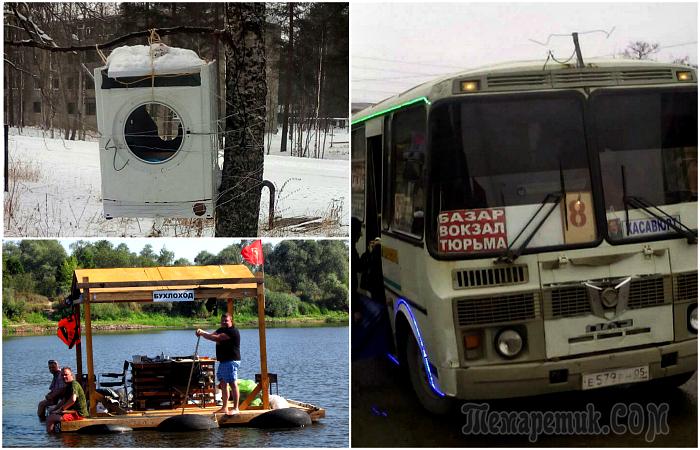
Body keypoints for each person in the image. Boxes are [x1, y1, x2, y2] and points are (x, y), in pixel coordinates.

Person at [196, 313, 241, 415]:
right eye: (222, 321)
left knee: (233, 384)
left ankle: (236, 408)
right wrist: (202, 332)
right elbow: (212, 335)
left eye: (226, 321)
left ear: (231, 321)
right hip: (223, 361)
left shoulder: (232, 331)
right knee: (223, 384)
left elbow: (216, 338)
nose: (224, 322)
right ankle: (225, 408)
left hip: (231, 361)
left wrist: (202, 333)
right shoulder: (221, 329)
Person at [46, 367, 88, 433]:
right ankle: (55, 436)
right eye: (62, 375)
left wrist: (60, 410)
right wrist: (54, 409)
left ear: (71, 375)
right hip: (72, 411)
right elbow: (64, 400)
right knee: (51, 413)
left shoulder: (74, 384)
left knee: (50, 418)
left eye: (66, 375)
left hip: (78, 413)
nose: (64, 377)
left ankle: (51, 439)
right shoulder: (68, 386)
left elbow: (73, 400)